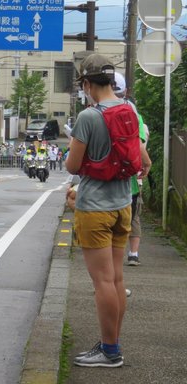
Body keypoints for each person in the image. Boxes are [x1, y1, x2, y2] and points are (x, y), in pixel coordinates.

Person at [65, 54, 151, 368]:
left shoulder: (89, 117)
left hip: (95, 210)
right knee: (115, 279)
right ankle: (110, 343)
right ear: (112, 81)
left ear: (87, 84)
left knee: (101, 282)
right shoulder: (129, 109)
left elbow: (72, 165)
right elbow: (142, 157)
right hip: (122, 206)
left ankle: (110, 351)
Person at [113, 71, 149, 266]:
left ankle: (104, 284)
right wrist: (147, 162)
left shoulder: (92, 114)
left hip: (99, 185)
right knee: (126, 225)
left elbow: (74, 164)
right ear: (125, 91)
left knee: (105, 236)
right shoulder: (134, 115)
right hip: (129, 184)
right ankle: (116, 283)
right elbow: (139, 144)